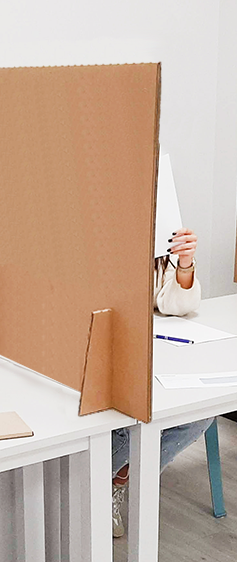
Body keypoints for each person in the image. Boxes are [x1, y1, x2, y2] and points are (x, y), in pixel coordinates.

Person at [111, 227, 213, 538]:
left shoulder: (154, 235)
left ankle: (114, 480)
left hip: (146, 352)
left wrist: (184, 263)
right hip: (90, 352)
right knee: (128, 415)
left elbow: (176, 306)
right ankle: (94, 482)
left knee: (199, 412)